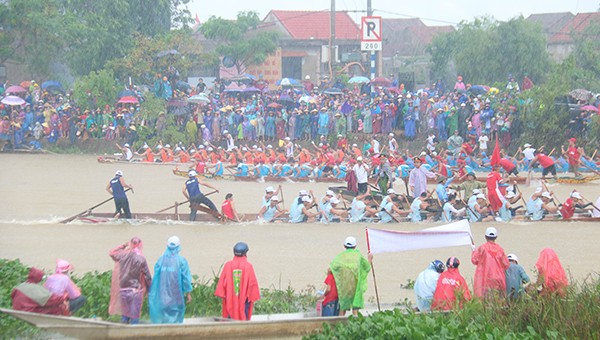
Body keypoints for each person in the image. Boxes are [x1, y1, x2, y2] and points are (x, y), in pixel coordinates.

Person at [149, 236, 193, 324]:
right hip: (176, 298)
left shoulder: (161, 260)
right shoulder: (181, 261)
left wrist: (153, 293)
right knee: (176, 318)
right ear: (178, 247)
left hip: (162, 297)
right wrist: (188, 293)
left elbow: (155, 279)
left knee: (164, 317)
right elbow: (186, 279)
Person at [108, 237, 152, 324]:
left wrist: (123, 245)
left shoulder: (123, 256)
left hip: (123, 290)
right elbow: (147, 276)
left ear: (130, 245)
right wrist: (150, 290)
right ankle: (133, 334)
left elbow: (112, 253)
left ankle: (122, 334)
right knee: (135, 315)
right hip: (136, 291)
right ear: (140, 245)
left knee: (125, 315)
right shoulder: (141, 258)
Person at [214, 242, 260, 320]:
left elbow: (221, 285)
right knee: (244, 317)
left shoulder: (228, 265)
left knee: (229, 317)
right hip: (244, 301)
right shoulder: (248, 266)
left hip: (230, 300)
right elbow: (252, 285)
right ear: (245, 253)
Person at [330, 236, 371, 316]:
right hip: (355, 285)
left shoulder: (340, 257)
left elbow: (332, 267)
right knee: (355, 308)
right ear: (355, 246)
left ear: (344, 246)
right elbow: (366, 268)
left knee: (343, 307)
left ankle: (339, 325)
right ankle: (355, 324)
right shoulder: (358, 256)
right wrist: (369, 259)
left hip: (344, 286)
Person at [471, 227, 510, 298]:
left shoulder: (482, 248)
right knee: (498, 301)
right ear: (496, 237)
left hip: (485, 279)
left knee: (485, 301)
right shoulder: (500, 249)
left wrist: (473, 250)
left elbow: (474, 260)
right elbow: (506, 264)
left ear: (485, 237)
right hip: (499, 279)